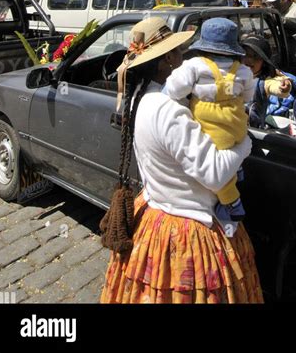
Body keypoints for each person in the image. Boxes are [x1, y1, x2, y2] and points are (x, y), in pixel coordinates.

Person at [100, 17, 263, 304]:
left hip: (156, 211)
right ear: (166, 60)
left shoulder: (143, 97)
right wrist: (245, 142)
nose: (185, 57)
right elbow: (214, 174)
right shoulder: (170, 111)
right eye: (178, 51)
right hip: (190, 229)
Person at [165, 18, 254, 224]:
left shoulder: (194, 66)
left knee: (219, 173)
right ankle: (238, 169)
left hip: (213, 127)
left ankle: (231, 201)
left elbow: (175, 89)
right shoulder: (243, 71)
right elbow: (247, 98)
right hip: (237, 124)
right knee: (233, 148)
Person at [242, 35, 296, 128]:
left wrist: (284, 88)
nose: (249, 60)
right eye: (246, 54)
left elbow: (276, 86)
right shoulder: (234, 74)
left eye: (256, 56)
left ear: (264, 62)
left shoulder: (265, 81)